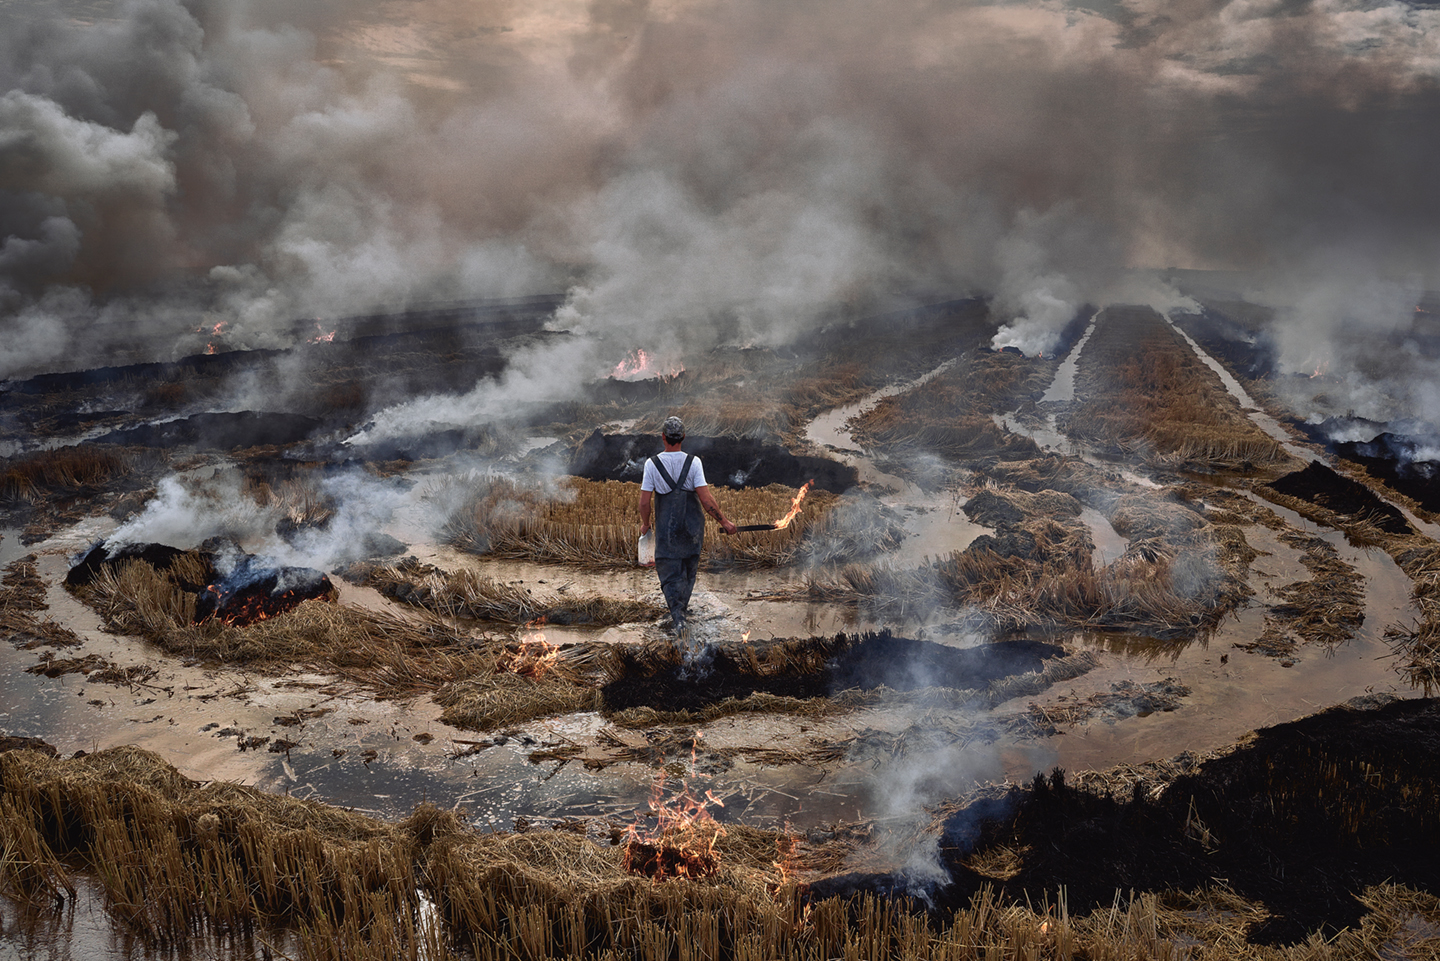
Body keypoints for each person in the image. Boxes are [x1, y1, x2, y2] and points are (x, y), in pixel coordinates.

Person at [637, 416, 737, 641]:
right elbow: (706, 500)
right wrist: (725, 522)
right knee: (688, 575)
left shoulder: (652, 464)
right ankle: (681, 614)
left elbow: (644, 502)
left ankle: (679, 619)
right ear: (683, 437)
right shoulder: (694, 463)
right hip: (692, 533)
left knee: (670, 576)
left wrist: (646, 524)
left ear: (663, 437)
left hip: (667, 533)